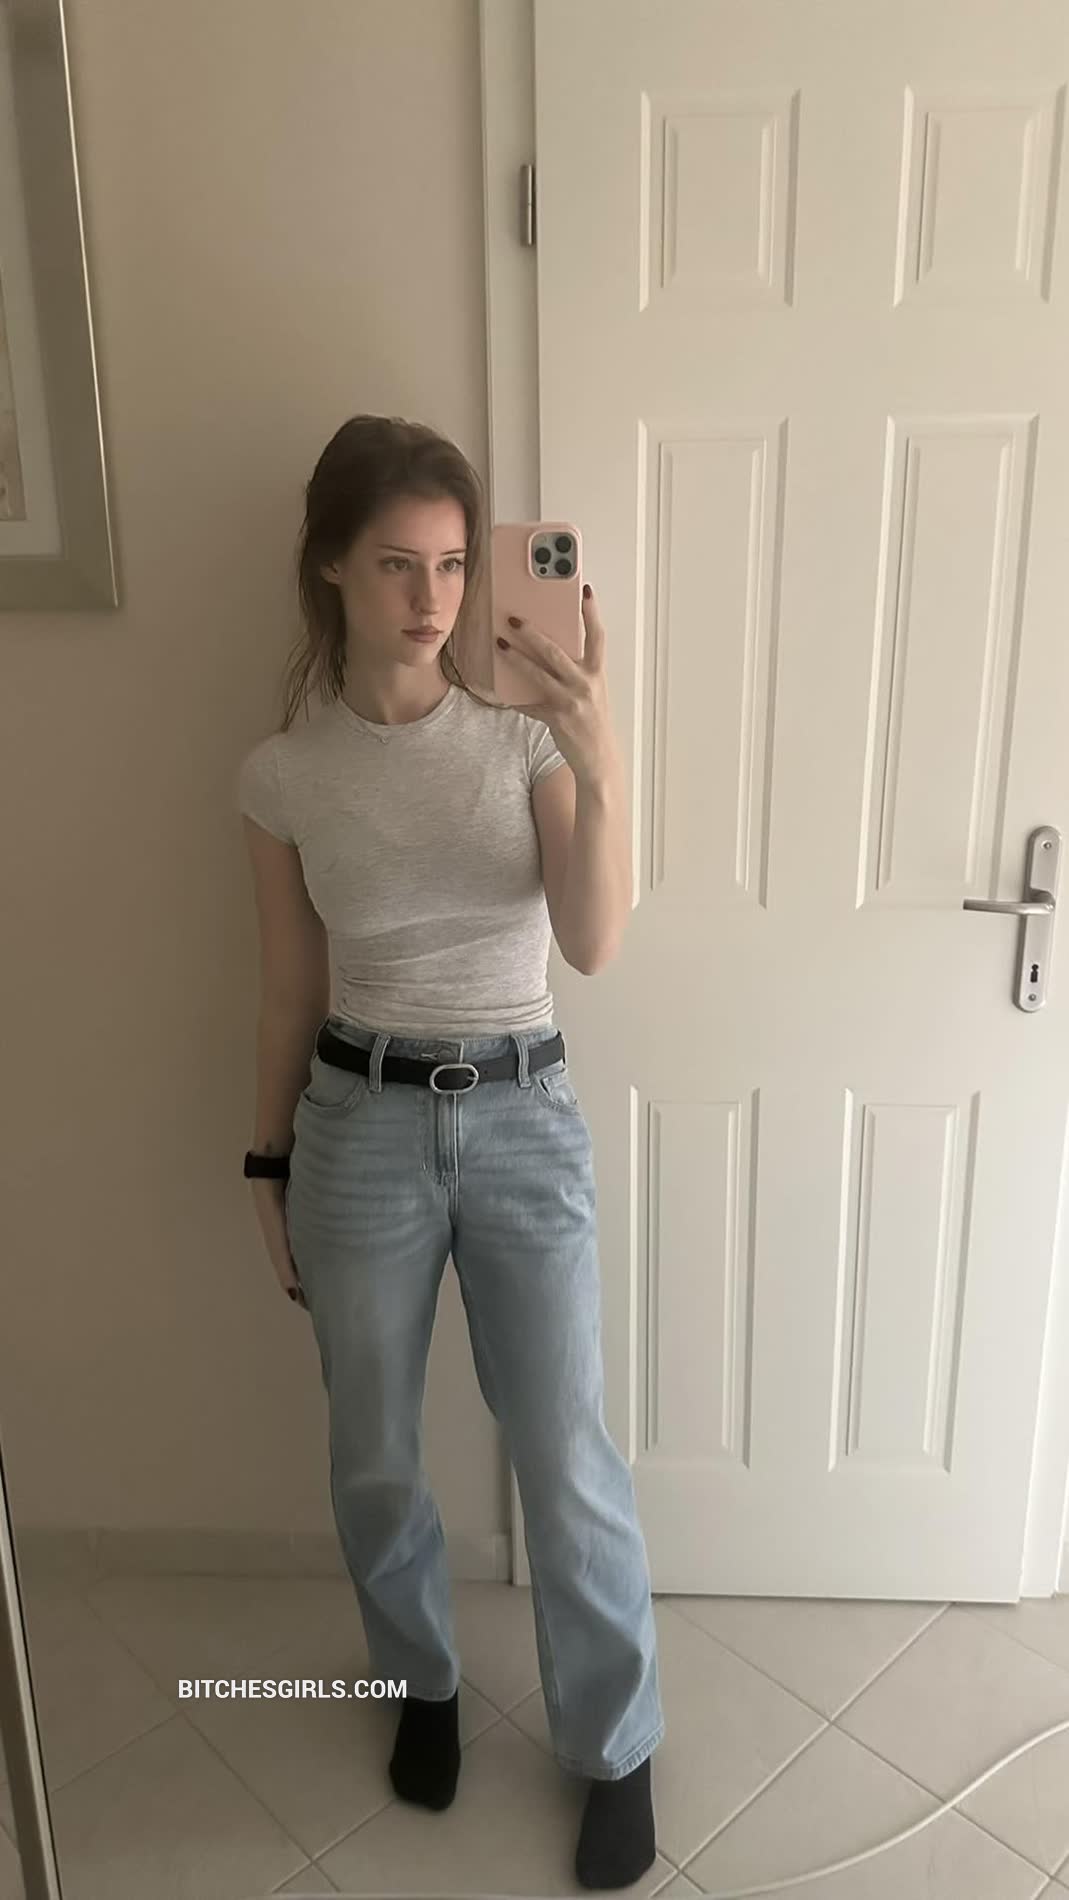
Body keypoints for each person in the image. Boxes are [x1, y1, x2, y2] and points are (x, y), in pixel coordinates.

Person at [236, 414, 664, 1889]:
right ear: (330, 569)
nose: (432, 599)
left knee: (563, 1447)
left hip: (522, 1118)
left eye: (453, 565)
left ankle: (614, 1740)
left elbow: (592, 945)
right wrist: (265, 1163)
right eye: (395, 565)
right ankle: (419, 1681)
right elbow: (288, 991)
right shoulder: (282, 777)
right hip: (355, 1127)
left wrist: (599, 756)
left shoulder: (521, 742)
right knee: (371, 1449)